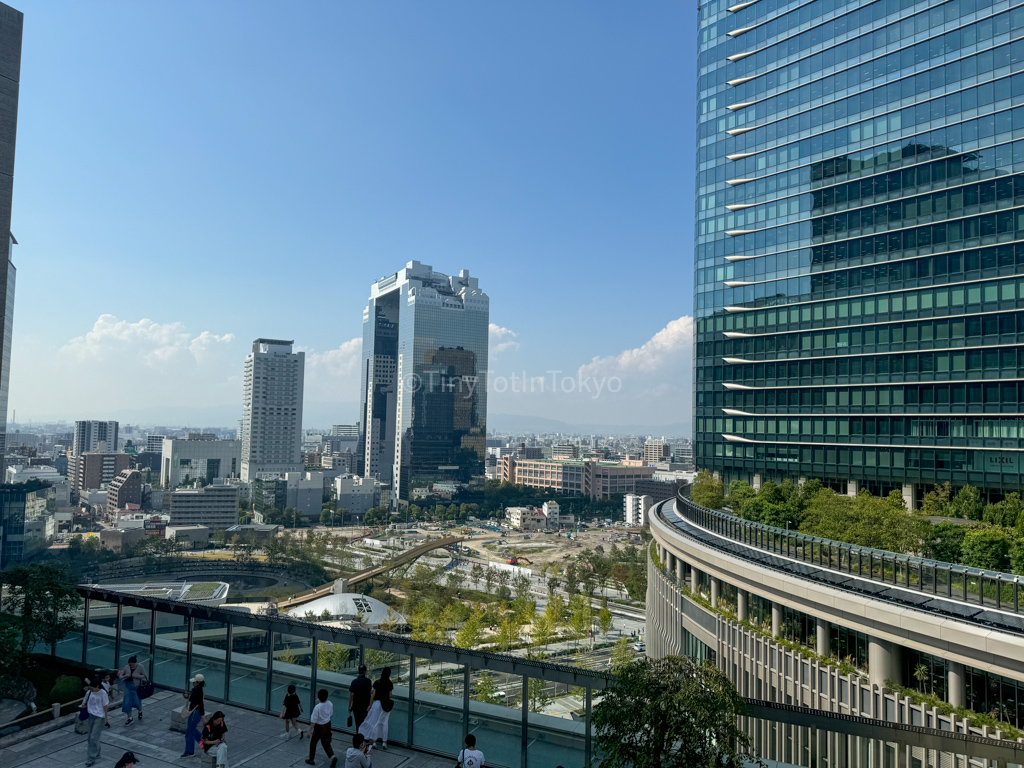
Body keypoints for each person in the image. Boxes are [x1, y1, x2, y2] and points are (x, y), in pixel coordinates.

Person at [358, 667, 393, 749]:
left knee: (374, 722)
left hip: (376, 704)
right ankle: (384, 742)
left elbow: (373, 695)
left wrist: (370, 706)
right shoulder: (389, 683)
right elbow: (390, 695)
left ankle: (374, 742)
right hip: (385, 705)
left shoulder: (377, 682)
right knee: (384, 723)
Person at [306, 688, 337, 768]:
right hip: (327, 725)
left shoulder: (317, 707)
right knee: (326, 743)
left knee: (313, 743)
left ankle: (311, 759)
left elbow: (314, 720)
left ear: (318, 697)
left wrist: (310, 731)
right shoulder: (330, 703)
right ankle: (332, 757)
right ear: (327, 696)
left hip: (319, 727)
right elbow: (331, 714)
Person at [83, 675, 109, 767]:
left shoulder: (103, 693)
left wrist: (106, 718)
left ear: (98, 686)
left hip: (99, 716)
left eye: (93, 687)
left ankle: (91, 757)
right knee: (90, 736)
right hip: (91, 716)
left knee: (93, 736)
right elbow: (84, 702)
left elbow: (105, 706)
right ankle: (97, 752)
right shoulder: (89, 692)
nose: (92, 689)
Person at [180, 673, 206, 758]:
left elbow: (201, 704)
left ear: (198, 682)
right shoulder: (196, 689)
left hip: (195, 712)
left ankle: (189, 752)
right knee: (192, 730)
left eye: (194, 682)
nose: (193, 683)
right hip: (195, 712)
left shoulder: (197, 691)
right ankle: (205, 743)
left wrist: (203, 716)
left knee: (189, 732)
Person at [117, 655, 147, 725]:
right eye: (130, 665)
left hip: (136, 687)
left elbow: (145, 676)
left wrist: (136, 676)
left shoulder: (140, 667)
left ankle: (140, 710)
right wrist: (125, 676)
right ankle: (130, 718)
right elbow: (120, 676)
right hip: (128, 687)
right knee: (127, 702)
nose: (132, 666)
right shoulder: (126, 667)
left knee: (137, 702)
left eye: (133, 665)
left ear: (136, 663)